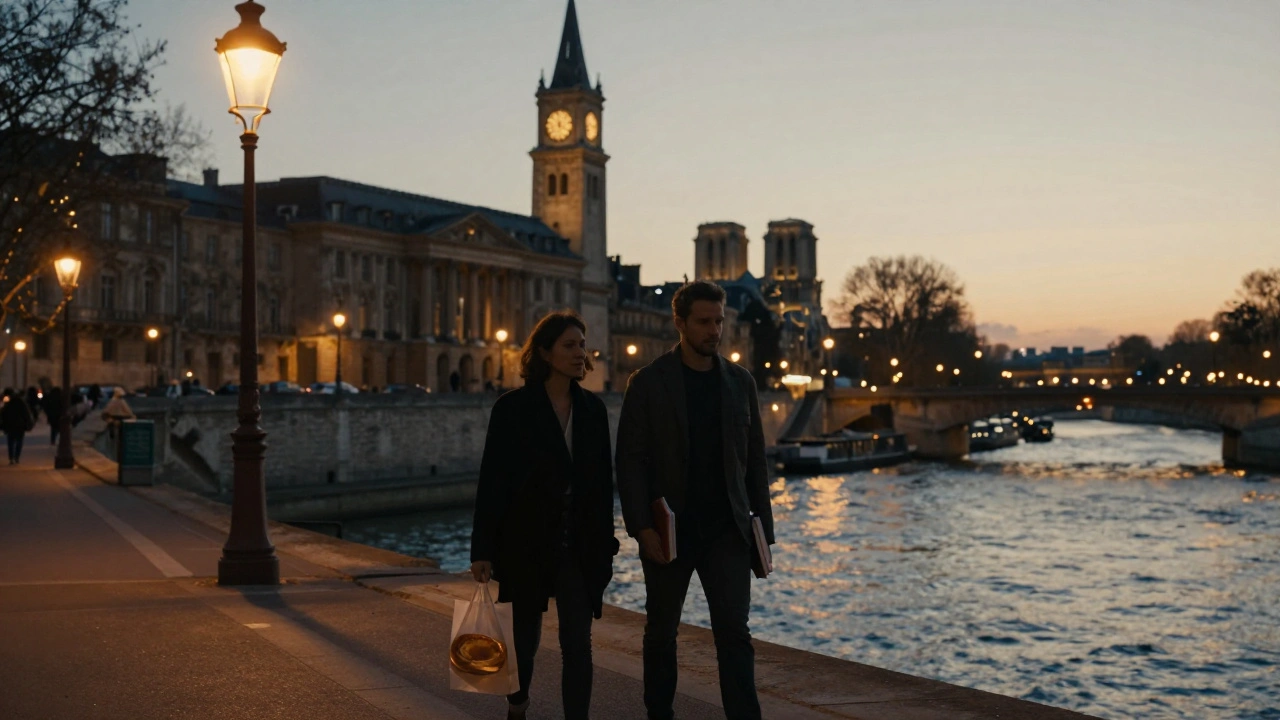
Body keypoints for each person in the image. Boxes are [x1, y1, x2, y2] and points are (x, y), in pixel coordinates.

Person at [615, 281, 775, 720]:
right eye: (704, 322)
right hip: (671, 529)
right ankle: (659, 714)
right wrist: (641, 529)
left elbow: (755, 462)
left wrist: (765, 534)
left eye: (720, 321)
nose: (715, 331)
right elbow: (630, 463)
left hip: (727, 530)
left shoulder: (740, 382)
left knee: (734, 634)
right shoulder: (647, 383)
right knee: (661, 633)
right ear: (680, 323)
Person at [470, 311, 619, 720]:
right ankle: (518, 704)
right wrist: (482, 548)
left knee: (578, 644)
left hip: (579, 542)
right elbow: (493, 481)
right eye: (569, 345)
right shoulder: (513, 409)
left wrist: (606, 547)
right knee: (524, 640)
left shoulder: (592, 410)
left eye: (582, 346)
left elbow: (603, 486)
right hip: (527, 540)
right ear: (545, 352)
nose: (580, 353)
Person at [2, 388, 35, 464]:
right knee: (19, 441)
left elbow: (4, 414)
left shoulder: (8, 402)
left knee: (11, 442)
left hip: (11, 424)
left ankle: (12, 458)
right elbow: (26, 413)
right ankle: (16, 457)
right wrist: (29, 422)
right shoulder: (20, 401)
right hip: (20, 424)